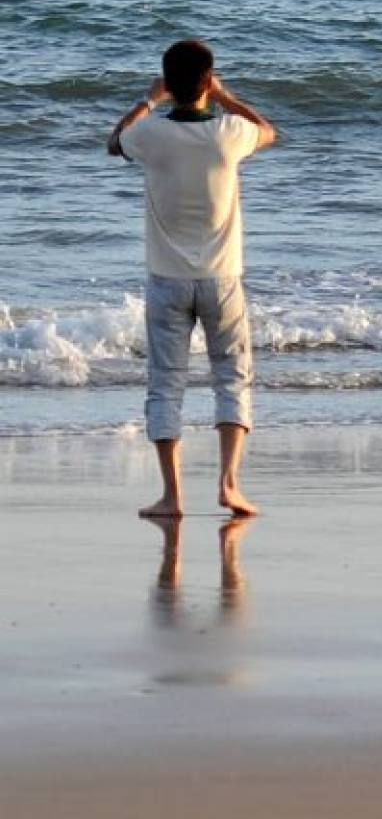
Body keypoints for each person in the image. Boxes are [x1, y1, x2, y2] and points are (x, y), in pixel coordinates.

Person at [107, 39, 277, 517]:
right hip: (222, 278)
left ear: (168, 82)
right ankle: (228, 485)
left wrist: (148, 100)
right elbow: (269, 131)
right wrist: (223, 96)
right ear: (207, 80)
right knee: (233, 377)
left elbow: (113, 141)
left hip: (167, 278)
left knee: (165, 384)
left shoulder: (151, 135)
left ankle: (172, 496)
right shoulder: (229, 133)